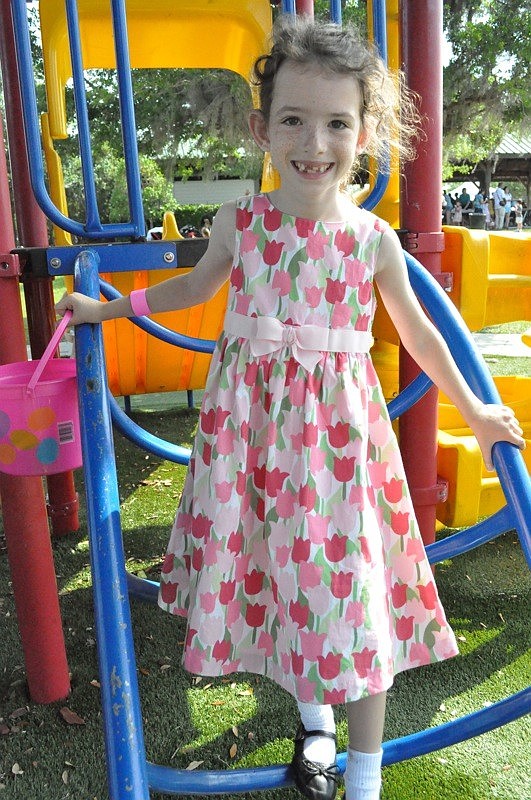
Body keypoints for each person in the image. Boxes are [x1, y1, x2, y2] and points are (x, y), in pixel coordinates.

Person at [56, 17, 525, 800]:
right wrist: (110, 310)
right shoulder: (242, 223)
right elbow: (193, 290)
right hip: (251, 443)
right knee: (278, 577)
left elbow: (417, 332)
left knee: (355, 596)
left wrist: (475, 410)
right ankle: (314, 723)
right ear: (260, 129)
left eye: (337, 123)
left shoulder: (373, 239)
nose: (315, 143)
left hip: (341, 451)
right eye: (293, 120)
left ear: (366, 132)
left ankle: (366, 778)